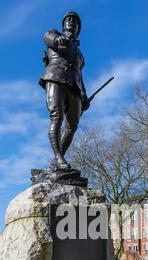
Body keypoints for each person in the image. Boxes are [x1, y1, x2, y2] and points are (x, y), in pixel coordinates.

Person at [39, 11, 90, 171]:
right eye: (68, 20)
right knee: (57, 116)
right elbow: (47, 36)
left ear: (78, 29)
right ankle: (59, 157)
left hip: (74, 87)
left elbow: (80, 76)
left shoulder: (80, 54)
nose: (71, 22)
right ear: (63, 25)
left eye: (75, 21)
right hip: (55, 77)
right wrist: (56, 39)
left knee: (72, 125)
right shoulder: (54, 35)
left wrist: (84, 96)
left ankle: (57, 159)